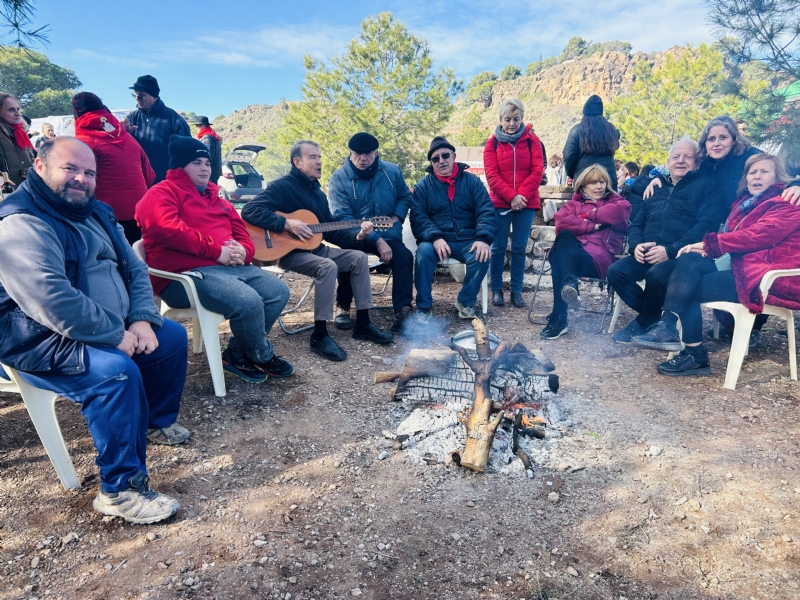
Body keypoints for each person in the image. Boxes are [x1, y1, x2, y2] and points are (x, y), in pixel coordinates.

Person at [0, 138, 189, 523]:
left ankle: (155, 423)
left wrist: (140, 318)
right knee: (114, 373)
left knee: (169, 338)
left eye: (89, 173)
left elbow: (135, 270)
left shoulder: (96, 212)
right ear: (39, 167)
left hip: (108, 324)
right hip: (37, 335)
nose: (81, 179)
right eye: (69, 169)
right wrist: (115, 336)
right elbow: (51, 300)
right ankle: (119, 490)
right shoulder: (22, 222)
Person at [136, 135, 292, 383]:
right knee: (248, 300)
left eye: (207, 163)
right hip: (182, 277)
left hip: (229, 269)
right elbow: (165, 228)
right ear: (179, 166)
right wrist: (217, 251)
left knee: (278, 291)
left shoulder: (218, 198)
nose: (205, 168)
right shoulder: (161, 193)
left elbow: (243, 236)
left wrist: (243, 252)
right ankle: (261, 355)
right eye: (196, 162)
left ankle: (236, 354)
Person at [631, 154, 800, 376]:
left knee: (685, 286)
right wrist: (704, 247)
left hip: (762, 276)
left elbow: (759, 235)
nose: (757, 176)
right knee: (677, 267)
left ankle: (691, 350)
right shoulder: (744, 204)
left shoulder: (787, 203)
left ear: (778, 177)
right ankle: (670, 329)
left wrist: (713, 243)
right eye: (752, 172)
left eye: (764, 171)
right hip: (738, 267)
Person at [241, 140, 393, 362]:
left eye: (320, 157)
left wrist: (358, 235)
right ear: (297, 162)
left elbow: (330, 230)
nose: (319, 161)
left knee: (359, 258)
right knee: (327, 266)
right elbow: (250, 210)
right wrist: (286, 224)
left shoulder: (318, 194)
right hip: (288, 253)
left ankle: (363, 323)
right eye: (313, 157)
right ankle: (320, 335)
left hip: (316, 250)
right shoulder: (281, 186)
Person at [606, 137, 727, 343]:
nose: (680, 161)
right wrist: (636, 246)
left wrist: (669, 250)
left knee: (656, 275)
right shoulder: (656, 187)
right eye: (675, 157)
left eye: (687, 157)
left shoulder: (707, 187)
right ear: (668, 162)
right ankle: (653, 315)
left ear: (697, 161)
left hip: (681, 256)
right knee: (616, 272)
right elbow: (636, 223)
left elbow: (704, 227)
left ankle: (645, 320)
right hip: (648, 251)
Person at [328, 132, 414, 333]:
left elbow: (404, 196)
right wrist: (376, 239)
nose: (363, 158)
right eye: (358, 154)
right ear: (351, 153)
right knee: (350, 256)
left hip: (389, 234)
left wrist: (397, 218)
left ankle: (402, 310)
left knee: (404, 257)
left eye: (367, 153)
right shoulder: (338, 179)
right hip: (354, 236)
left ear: (376, 152)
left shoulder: (392, 171)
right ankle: (343, 307)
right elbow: (343, 219)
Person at [411, 136, 497, 320]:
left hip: (468, 239)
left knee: (481, 255)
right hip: (437, 240)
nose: (441, 161)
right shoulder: (423, 186)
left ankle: (465, 301)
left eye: (445, 155)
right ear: (432, 163)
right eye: (435, 158)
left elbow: (486, 211)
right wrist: (435, 237)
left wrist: (482, 238)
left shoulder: (472, 182)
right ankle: (424, 306)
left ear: (453, 156)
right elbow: (418, 217)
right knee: (423, 253)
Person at [540, 165, 631, 339]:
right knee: (564, 237)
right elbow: (561, 222)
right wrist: (593, 225)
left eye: (602, 181)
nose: (599, 186)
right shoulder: (573, 204)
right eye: (593, 182)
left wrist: (587, 215)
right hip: (574, 256)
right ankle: (570, 284)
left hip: (599, 258)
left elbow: (620, 212)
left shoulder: (617, 201)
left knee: (560, 258)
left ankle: (559, 318)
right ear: (582, 186)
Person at [483, 99, 544, 308]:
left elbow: (538, 171)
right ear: (500, 120)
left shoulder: (532, 141)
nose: (512, 123)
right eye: (507, 119)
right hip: (500, 202)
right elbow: (491, 175)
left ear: (522, 119)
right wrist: (511, 196)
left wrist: (521, 197)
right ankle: (497, 289)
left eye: (516, 119)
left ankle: (516, 291)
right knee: (498, 247)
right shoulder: (492, 144)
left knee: (519, 248)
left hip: (526, 203)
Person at [72, 92, 155, 244]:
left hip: (103, 218)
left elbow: (73, 187)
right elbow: (149, 176)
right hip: (140, 214)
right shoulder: (129, 139)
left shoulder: (80, 144)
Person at [123, 75, 191, 184]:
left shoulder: (174, 120)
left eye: (141, 96)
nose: (136, 99)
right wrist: (123, 133)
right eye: (135, 95)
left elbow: (187, 153)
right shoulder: (131, 118)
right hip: (137, 181)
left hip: (165, 183)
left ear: (154, 96)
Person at [563, 95, 621, 190]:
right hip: (608, 180)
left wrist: (572, 173)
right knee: (609, 205)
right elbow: (615, 147)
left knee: (585, 205)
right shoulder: (612, 130)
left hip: (584, 180)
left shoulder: (578, 130)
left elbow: (569, 155)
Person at [0, 93, 34, 186]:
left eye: (18, 109)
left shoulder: (20, 133)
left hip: (24, 190)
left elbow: (30, 161)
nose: (17, 114)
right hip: (5, 194)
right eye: (11, 110)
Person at [193, 116, 223, 184]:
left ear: (203, 126)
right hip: (211, 172)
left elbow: (206, 157)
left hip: (209, 173)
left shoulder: (207, 138)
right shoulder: (212, 136)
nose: (196, 128)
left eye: (197, 126)